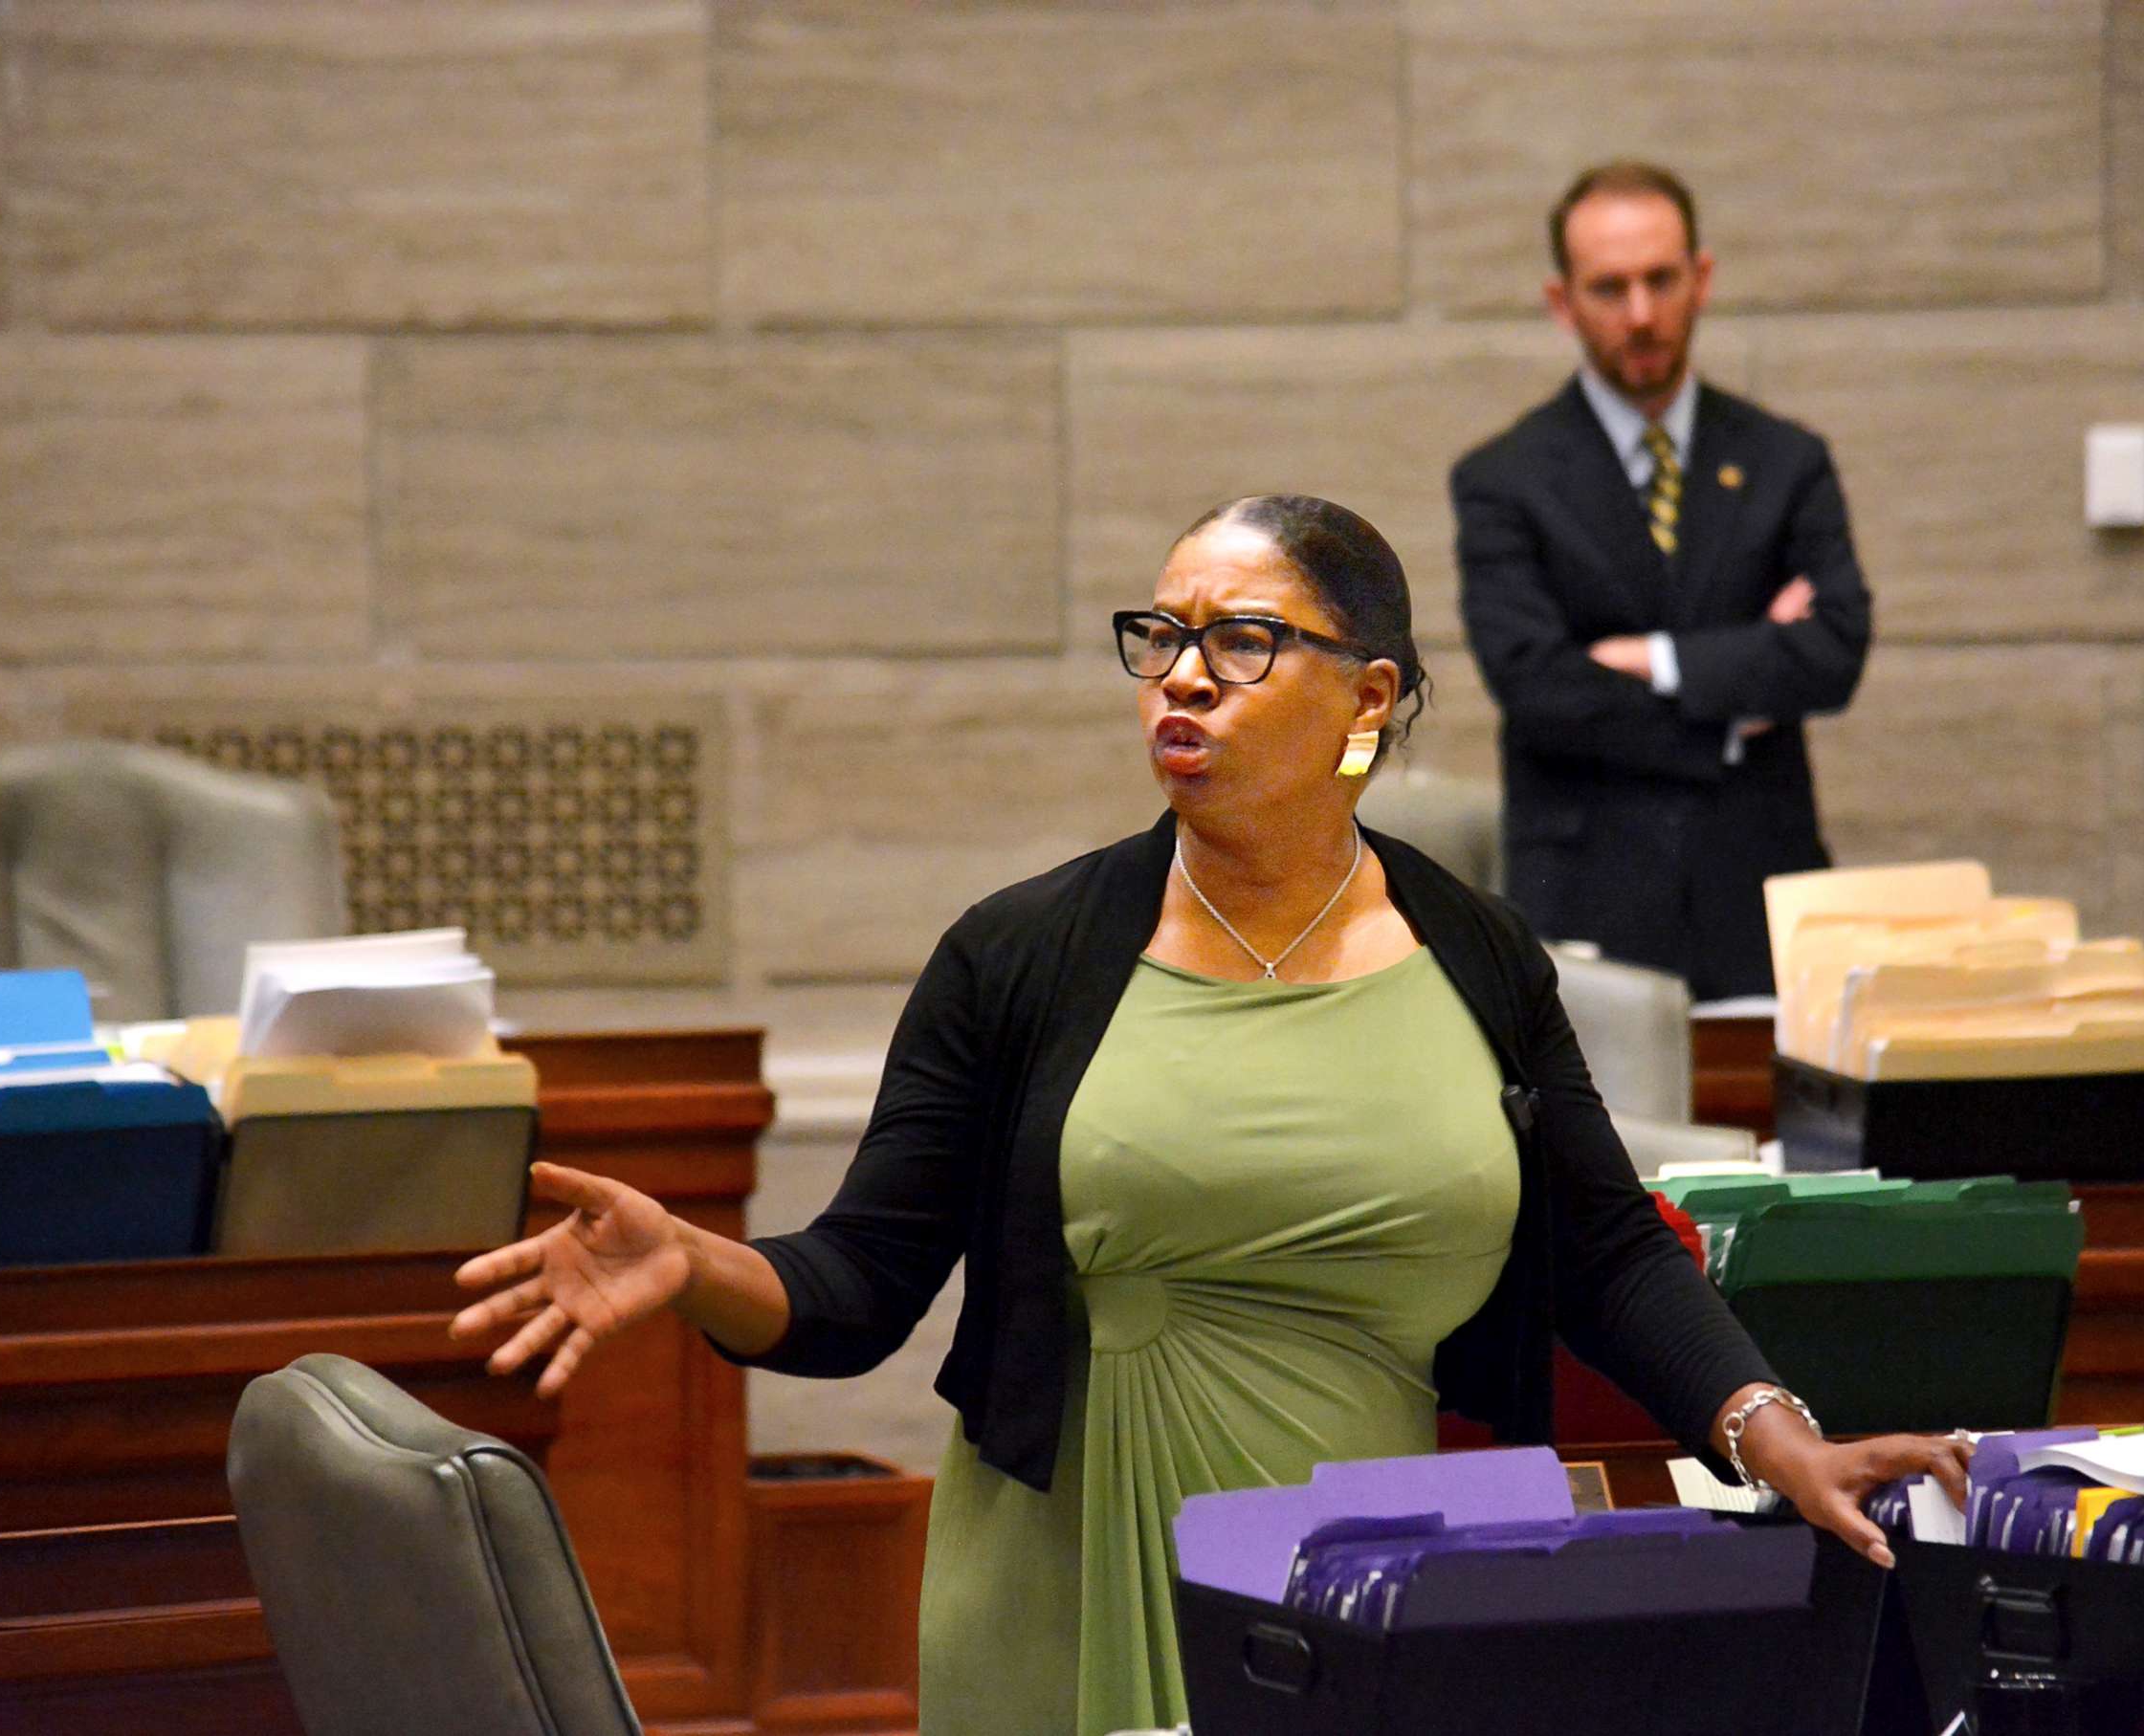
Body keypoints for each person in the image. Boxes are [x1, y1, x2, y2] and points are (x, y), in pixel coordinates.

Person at [451, 495, 1960, 1736]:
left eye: (1241, 641)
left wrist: (1775, 1433)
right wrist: (691, 1259)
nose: (1181, 675)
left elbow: (1612, 1250)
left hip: (1370, 1587)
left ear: (1368, 696)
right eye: (1161, 636)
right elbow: (857, 1284)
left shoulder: (1480, 958)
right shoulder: (1022, 952)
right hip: (1066, 1582)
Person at [1452, 160, 1873, 1000]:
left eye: (1660, 280)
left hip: (1758, 897)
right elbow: (1537, 686)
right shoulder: (1504, 478)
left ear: (1702, 278)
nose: (1641, 315)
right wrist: (1736, 698)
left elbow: (1833, 650)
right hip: (1587, 902)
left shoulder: (1785, 460)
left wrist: (1654, 662)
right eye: (1610, 289)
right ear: (1561, 302)